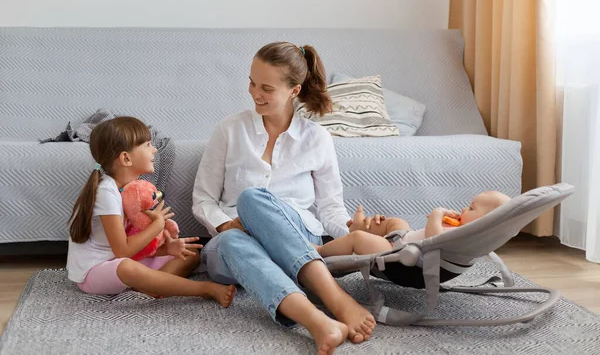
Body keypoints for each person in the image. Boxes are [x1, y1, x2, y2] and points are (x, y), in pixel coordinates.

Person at [193, 42, 376, 355]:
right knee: (239, 229)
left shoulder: (317, 138)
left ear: (294, 90)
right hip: (233, 247)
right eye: (252, 83)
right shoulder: (229, 130)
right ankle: (325, 311)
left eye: (267, 87)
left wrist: (354, 235)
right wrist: (227, 226)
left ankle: (326, 311)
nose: (255, 93)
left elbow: (331, 207)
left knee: (251, 199)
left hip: (298, 237)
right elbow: (203, 199)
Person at [66, 117, 236, 307]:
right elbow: (122, 250)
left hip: (117, 260)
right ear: (126, 158)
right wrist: (158, 225)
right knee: (127, 267)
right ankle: (204, 289)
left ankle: (151, 285)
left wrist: (166, 249)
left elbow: (133, 246)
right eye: (147, 145)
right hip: (93, 272)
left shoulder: (130, 189)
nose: (154, 149)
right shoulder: (106, 192)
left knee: (189, 254)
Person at [314, 191, 511, 258]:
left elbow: (436, 240)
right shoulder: (463, 230)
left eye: (471, 208)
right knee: (396, 222)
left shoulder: (465, 234)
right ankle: (356, 225)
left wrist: (436, 214)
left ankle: (321, 251)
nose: (464, 209)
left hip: (397, 251)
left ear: (483, 221)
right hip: (405, 237)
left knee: (358, 240)